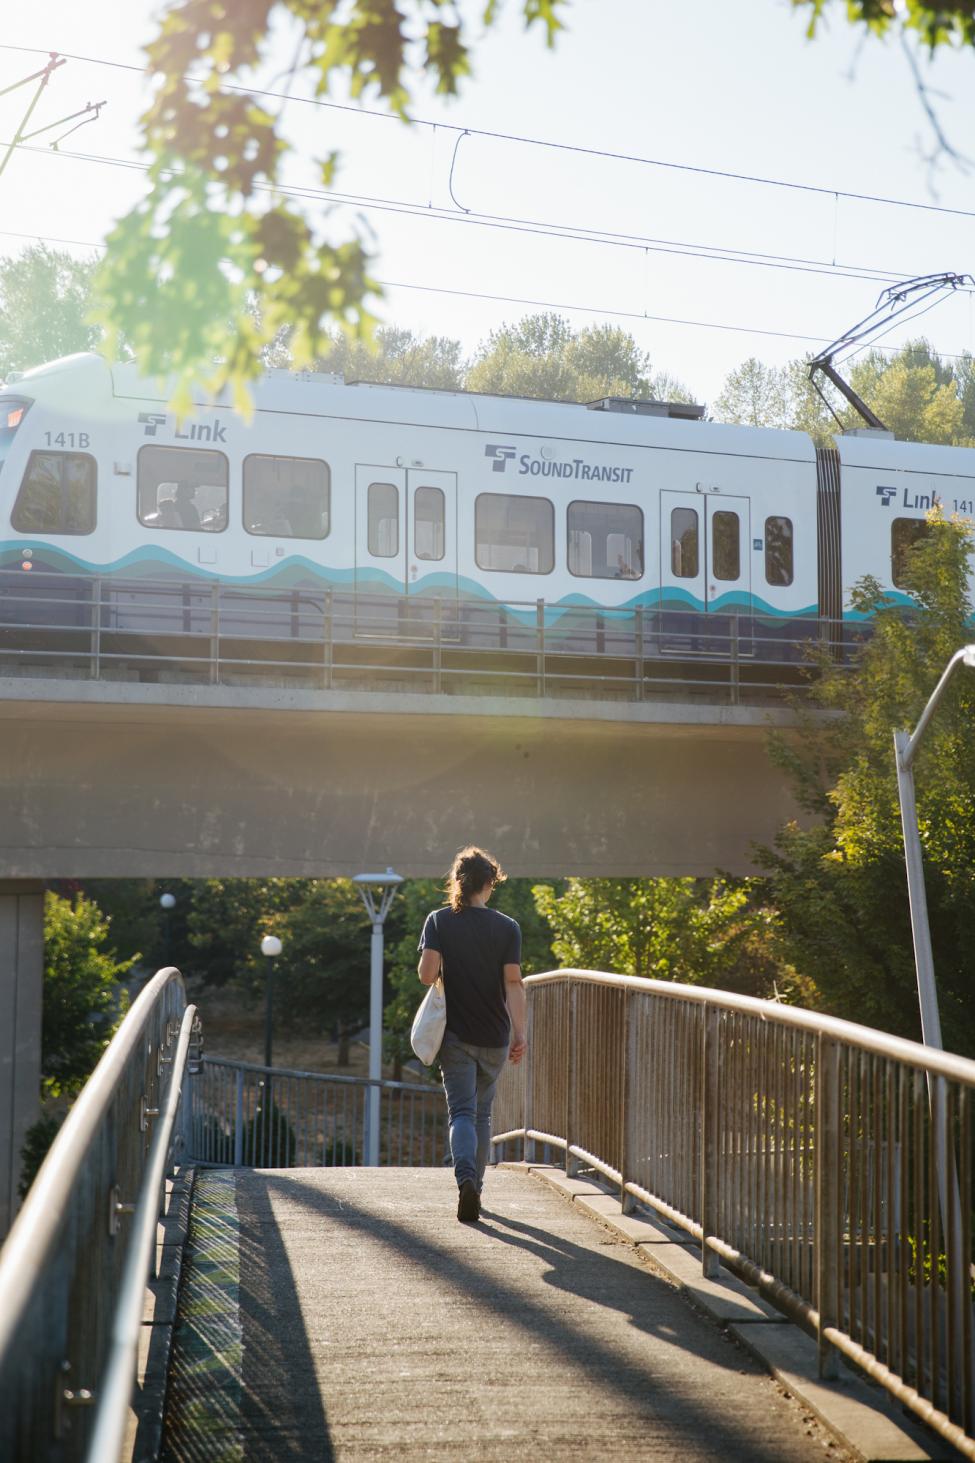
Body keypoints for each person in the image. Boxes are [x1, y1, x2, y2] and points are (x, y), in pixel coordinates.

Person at [417, 846, 527, 1223]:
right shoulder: (508, 927)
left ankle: (465, 1181)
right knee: (482, 1116)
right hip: (495, 1036)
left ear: (458, 882)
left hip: (456, 1035)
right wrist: (520, 1033)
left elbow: (427, 975)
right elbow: (514, 983)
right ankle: (476, 1188)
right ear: (489, 883)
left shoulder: (439, 920)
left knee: (461, 1112)